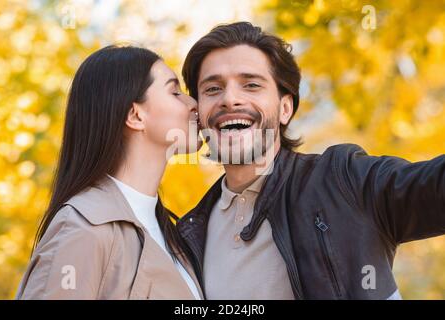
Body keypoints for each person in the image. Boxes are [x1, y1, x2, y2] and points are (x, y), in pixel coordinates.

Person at [177, 21, 445, 300]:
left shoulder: (343, 182)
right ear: (198, 113)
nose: (229, 99)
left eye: (251, 85)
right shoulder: (188, 233)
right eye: (212, 89)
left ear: (284, 108)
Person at [16, 45, 203, 299]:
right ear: (136, 116)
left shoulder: (171, 232)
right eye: (175, 92)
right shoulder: (83, 228)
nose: (194, 103)